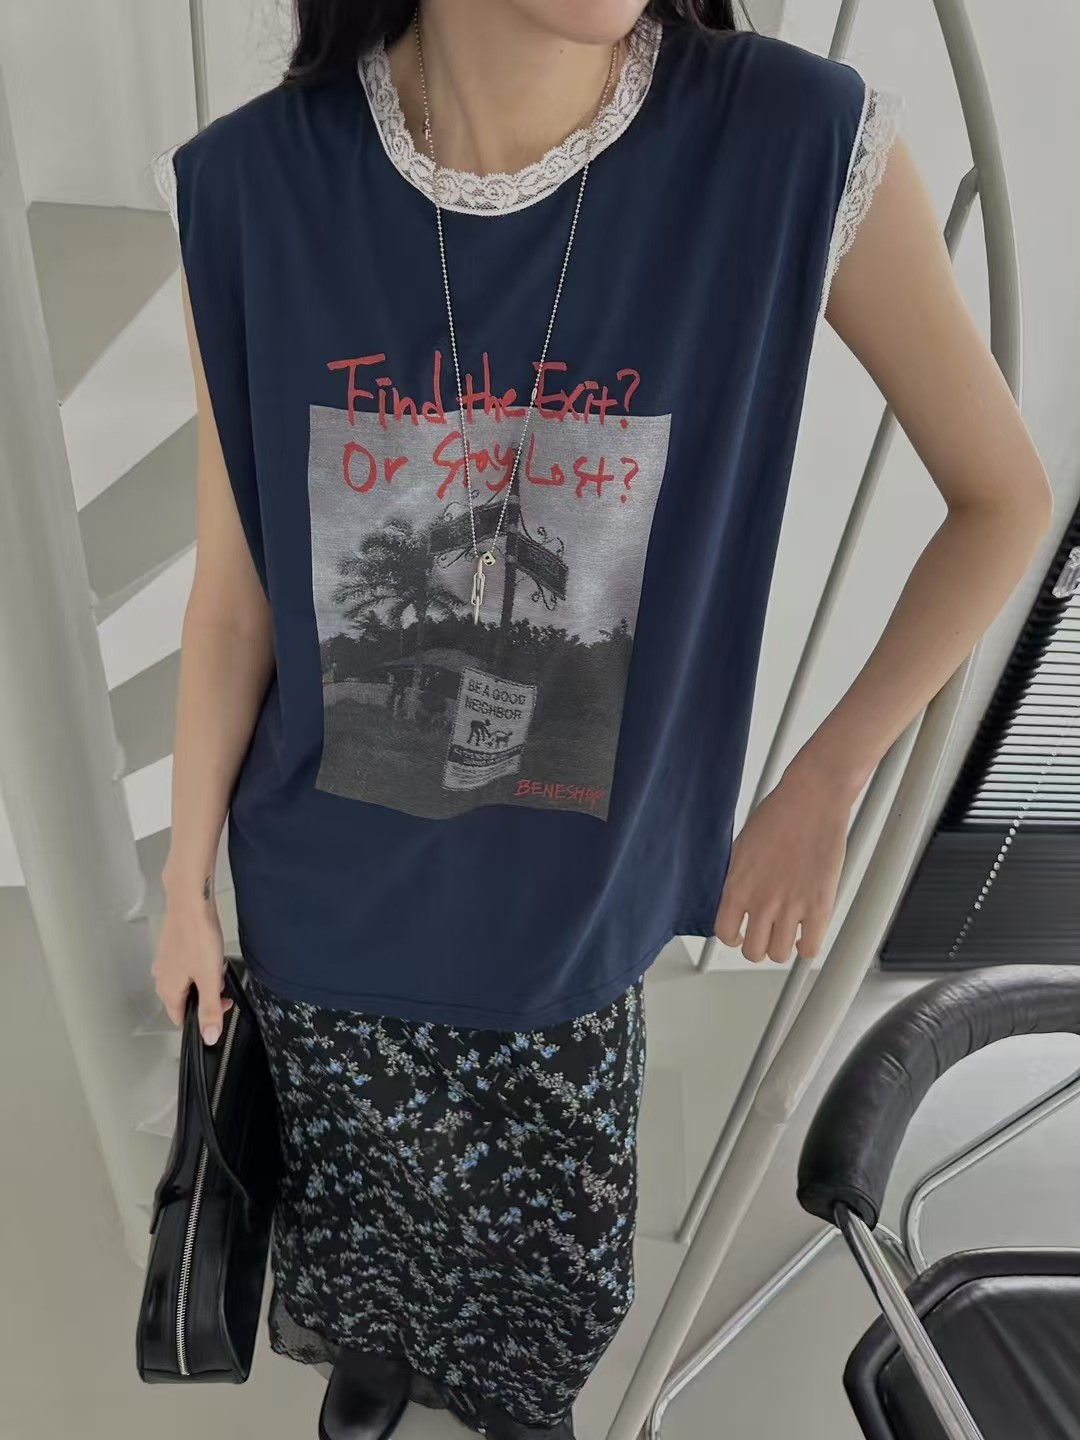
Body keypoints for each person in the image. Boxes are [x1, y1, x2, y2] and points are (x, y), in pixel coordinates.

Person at [150, 1, 1053, 1437]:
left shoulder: (788, 144)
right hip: (326, 918)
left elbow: (1003, 501)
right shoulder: (257, 185)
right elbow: (235, 602)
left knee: (542, 1292)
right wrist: (185, 881)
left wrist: (824, 781)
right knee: (361, 1238)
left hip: (569, 936)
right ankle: (375, 1375)